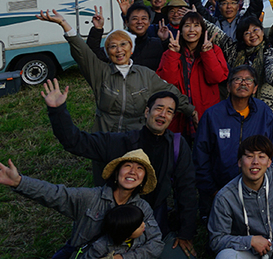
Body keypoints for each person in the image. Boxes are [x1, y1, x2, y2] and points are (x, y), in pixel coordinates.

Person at [43, 82, 199, 256]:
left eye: (169, 111)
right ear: (147, 112)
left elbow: (187, 189)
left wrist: (186, 233)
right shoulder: (120, 142)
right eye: (159, 108)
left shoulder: (177, 145)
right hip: (115, 222)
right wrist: (57, 111)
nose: (163, 114)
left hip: (152, 221)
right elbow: (76, 142)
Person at [0, 149, 163, 259]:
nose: (133, 171)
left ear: (142, 181)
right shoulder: (90, 198)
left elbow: (156, 244)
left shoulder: (143, 209)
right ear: (116, 174)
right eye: (128, 166)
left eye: (140, 169)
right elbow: (55, 194)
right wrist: (20, 182)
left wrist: (120, 258)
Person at [38, 9, 193, 133]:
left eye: (123, 44)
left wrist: (192, 112)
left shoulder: (145, 74)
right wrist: (65, 25)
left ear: (131, 49)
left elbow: (171, 93)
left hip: (136, 137)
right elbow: (82, 53)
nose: (119, 50)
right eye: (112, 46)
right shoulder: (101, 72)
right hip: (105, 138)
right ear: (108, 52)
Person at [207, 135, 273, 259]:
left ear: (269, 162)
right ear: (240, 162)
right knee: (225, 257)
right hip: (248, 250)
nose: (255, 162)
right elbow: (216, 240)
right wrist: (249, 241)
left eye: (261, 156)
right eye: (249, 156)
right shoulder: (225, 197)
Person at [195, 66, 273, 217]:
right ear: (228, 86)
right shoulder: (212, 115)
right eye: (238, 79)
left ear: (255, 88)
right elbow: (201, 156)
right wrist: (212, 190)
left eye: (248, 80)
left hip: (256, 187)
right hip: (220, 188)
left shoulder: (264, 112)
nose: (243, 83)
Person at [157, 11, 229, 136]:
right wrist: (173, 54)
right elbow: (167, 83)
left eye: (196, 25)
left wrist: (207, 54)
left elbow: (217, 77)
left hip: (207, 110)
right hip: (178, 112)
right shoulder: (171, 52)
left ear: (202, 30)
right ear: (180, 29)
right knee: (178, 151)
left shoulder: (214, 50)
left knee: (205, 150)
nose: (191, 30)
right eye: (187, 25)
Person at [206, 14, 273, 113]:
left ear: (262, 32)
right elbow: (217, 34)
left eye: (255, 30)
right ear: (242, 37)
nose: (252, 35)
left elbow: (271, 65)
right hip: (236, 106)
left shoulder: (269, 51)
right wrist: (197, 18)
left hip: (263, 109)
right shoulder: (234, 51)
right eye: (247, 33)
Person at [90, 0, 165, 70]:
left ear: (149, 22)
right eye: (135, 19)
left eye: (144, 19)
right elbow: (94, 55)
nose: (139, 22)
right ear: (126, 22)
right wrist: (97, 29)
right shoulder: (119, 45)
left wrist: (165, 40)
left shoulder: (157, 44)